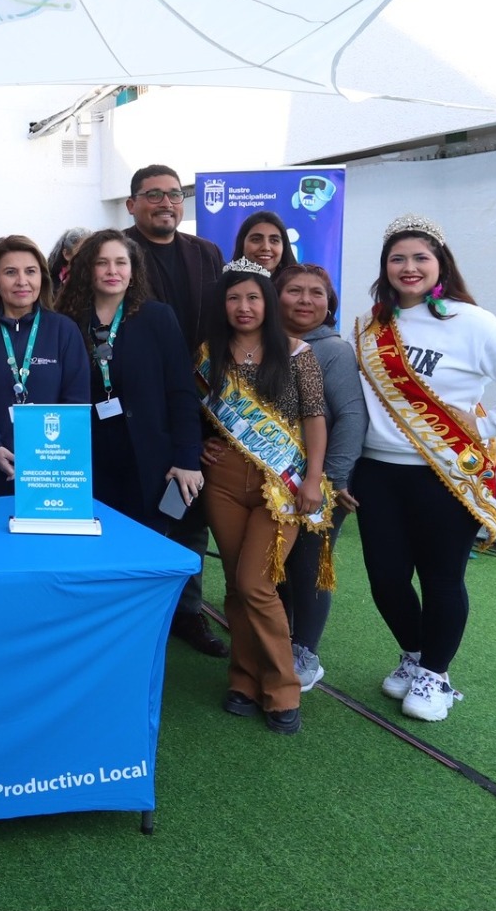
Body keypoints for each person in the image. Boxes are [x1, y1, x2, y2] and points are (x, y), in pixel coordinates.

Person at [351, 215, 496, 722]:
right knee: (386, 580)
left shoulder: (472, 322)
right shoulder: (367, 326)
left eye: (421, 257)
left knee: (442, 579)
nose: (409, 267)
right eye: (397, 258)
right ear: (384, 268)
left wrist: (486, 425)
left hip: (445, 473)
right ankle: (416, 655)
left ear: (440, 263)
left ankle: (436, 675)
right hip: (378, 473)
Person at [197, 258, 330, 734]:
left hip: (283, 482)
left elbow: (316, 418)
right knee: (237, 582)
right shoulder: (208, 355)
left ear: (268, 303)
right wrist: (201, 443)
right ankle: (244, 680)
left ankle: (282, 687)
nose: (244, 306)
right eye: (234, 297)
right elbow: (190, 413)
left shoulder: (297, 353)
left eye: (253, 297)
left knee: (257, 582)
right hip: (225, 482)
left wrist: (313, 479)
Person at [126, 164, 229, 656]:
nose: (165, 202)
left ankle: (188, 613)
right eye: (153, 195)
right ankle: (139, 614)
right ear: (132, 204)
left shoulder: (207, 252)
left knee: (190, 512)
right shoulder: (114, 249)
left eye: (173, 194)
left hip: (203, 403)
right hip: (136, 404)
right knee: (139, 510)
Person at [54, 229, 202, 533]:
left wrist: (188, 458)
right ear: (87, 270)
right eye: (102, 263)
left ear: (133, 271)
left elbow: (182, 393)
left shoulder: (158, 317)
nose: (112, 271)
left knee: (148, 552)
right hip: (88, 460)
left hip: (147, 461)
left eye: (121, 262)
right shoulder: (67, 322)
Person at [272, 263, 366, 691]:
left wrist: (334, 480)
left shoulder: (333, 350)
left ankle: (305, 651)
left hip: (318, 481)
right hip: (272, 477)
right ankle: (279, 642)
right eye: (294, 290)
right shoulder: (263, 343)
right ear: (276, 295)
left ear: (329, 303)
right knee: (280, 564)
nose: (305, 300)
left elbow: (349, 415)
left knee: (309, 566)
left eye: (316, 293)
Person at [0, 235, 91, 498]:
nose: (22, 281)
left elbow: (76, 402)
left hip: (50, 472)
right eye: (10, 272)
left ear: (42, 279)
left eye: (31, 272)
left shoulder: (64, 331)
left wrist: (42, 456)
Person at [231, 211, 299, 276]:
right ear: (242, 244)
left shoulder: (298, 284)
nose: (266, 247)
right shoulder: (226, 285)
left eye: (274, 240)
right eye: (256, 240)